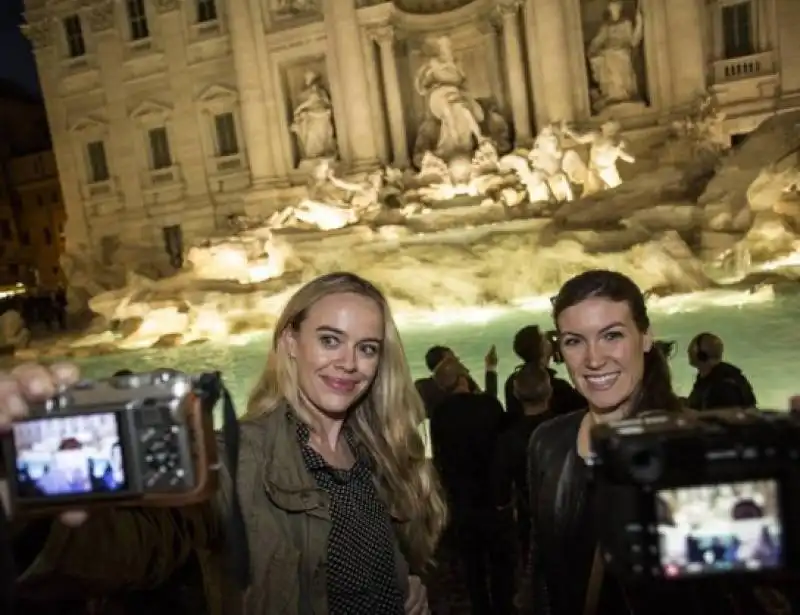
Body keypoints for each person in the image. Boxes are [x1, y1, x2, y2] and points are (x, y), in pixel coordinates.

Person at [1, 272, 446, 615]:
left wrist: (400, 585)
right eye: (330, 340)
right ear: (290, 341)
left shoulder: (376, 452)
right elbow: (137, 543)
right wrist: (26, 508)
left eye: (367, 348)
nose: (348, 363)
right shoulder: (236, 458)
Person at [522, 269, 757, 615]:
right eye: (574, 341)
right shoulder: (547, 442)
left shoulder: (696, 445)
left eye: (611, 335)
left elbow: (735, 591)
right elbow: (540, 566)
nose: (594, 359)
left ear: (646, 337)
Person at [429, 356, 513, 615]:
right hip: (493, 498)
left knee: (473, 565)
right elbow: (504, 448)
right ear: (464, 379)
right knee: (501, 563)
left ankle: (481, 608)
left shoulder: (438, 416)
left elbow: (440, 459)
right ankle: (503, 607)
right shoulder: (488, 405)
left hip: (461, 501)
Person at [494, 363, 554, 569]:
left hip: (530, 512)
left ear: (516, 395)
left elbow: (501, 485)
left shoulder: (509, 438)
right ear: (549, 390)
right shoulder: (567, 428)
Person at [504, 325, 584, 419]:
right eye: (545, 338)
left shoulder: (512, 382)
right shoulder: (558, 386)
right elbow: (583, 404)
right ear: (542, 348)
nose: (550, 339)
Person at [415, 344, 497, 418]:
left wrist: (490, 368)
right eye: (453, 359)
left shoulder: (463, 381)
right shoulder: (424, 388)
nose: (458, 361)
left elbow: (489, 403)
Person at [686, 332, 757, 411]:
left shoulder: (724, 385)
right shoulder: (713, 376)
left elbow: (731, 414)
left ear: (701, 355)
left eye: (692, 348)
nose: (688, 351)